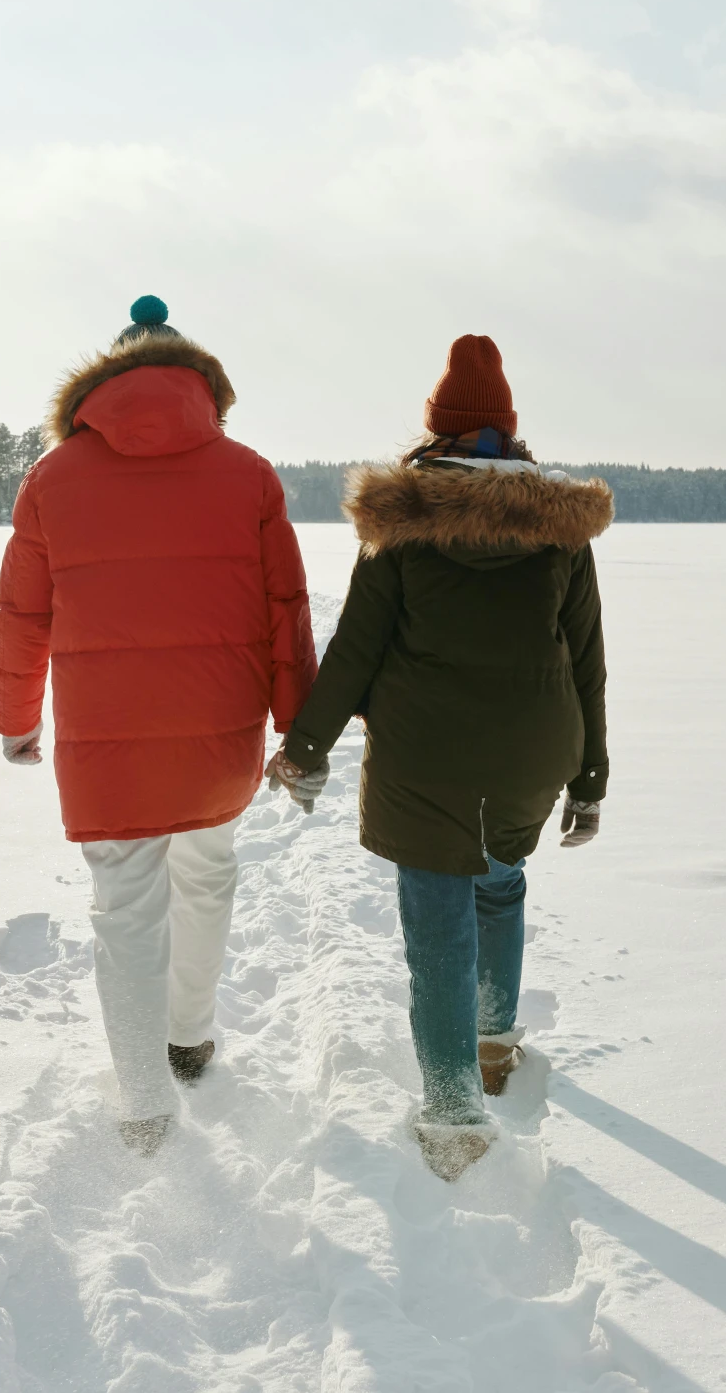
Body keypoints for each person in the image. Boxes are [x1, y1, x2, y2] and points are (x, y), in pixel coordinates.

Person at [266, 333, 611, 1181]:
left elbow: (355, 648)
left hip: (424, 758)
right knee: (498, 878)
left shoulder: (403, 527)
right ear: (506, 432)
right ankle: (493, 1041)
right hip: (532, 750)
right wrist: (590, 776)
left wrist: (305, 745)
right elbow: (587, 656)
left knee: (437, 930)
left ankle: (454, 1108)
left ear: (437, 431)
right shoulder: (559, 529)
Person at [0, 295, 319, 1154]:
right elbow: (286, 609)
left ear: (102, 382)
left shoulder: (53, 475)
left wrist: (15, 718)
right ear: (197, 383)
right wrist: (298, 725)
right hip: (219, 728)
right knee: (206, 872)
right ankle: (189, 1034)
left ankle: (143, 1099)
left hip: (107, 738)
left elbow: (21, 615)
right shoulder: (247, 471)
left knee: (125, 905)